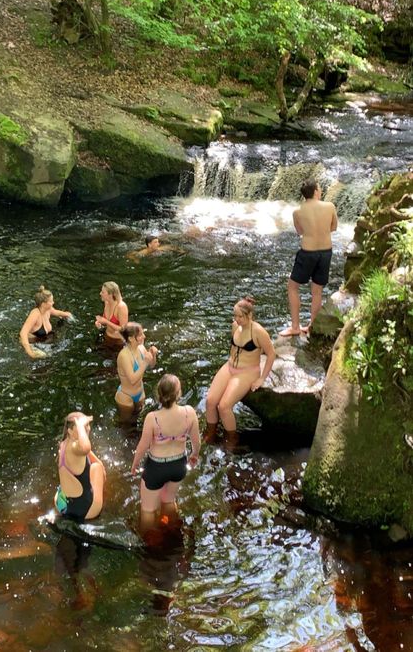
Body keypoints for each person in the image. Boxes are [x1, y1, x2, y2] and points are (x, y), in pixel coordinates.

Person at [131, 374, 200, 531]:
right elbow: (196, 441)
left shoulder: (153, 418)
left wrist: (135, 464)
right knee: (169, 501)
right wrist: (194, 455)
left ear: (159, 394)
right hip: (179, 465)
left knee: (148, 509)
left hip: (157, 466)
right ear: (178, 393)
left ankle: (150, 541)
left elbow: (143, 446)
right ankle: (172, 528)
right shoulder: (189, 413)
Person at [205, 296, 275, 438]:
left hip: (248, 372)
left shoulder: (258, 332)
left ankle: (231, 440)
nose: (237, 319)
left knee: (224, 407)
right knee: (210, 401)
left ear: (250, 315)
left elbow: (271, 354)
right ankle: (211, 433)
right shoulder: (235, 326)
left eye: (240, 316)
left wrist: (262, 378)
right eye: (235, 316)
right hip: (230, 366)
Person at [280, 178, 338, 337]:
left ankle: (295, 327)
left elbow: (299, 232)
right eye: (319, 189)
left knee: (293, 286)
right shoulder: (330, 206)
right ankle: (312, 325)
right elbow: (334, 227)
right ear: (315, 192)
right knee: (317, 289)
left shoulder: (297, 212)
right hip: (326, 251)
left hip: (308, 252)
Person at [54, 412, 106, 521]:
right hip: (81, 511)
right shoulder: (74, 447)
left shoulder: (64, 443)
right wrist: (81, 426)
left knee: (97, 466)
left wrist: (100, 466)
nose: (87, 429)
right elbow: (86, 448)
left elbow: (91, 456)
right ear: (70, 431)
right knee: (96, 468)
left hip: (61, 504)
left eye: (87, 425)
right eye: (82, 426)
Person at [20, 285, 72, 359]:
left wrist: (66, 314)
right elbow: (23, 333)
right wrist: (30, 352)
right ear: (44, 304)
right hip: (31, 342)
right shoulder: (35, 314)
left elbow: (56, 312)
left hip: (42, 340)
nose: (53, 303)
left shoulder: (48, 309)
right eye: (51, 301)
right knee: (45, 357)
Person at [116, 322, 158, 414]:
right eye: (140, 335)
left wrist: (153, 355)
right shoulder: (124, 356)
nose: (144, 336)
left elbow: (151, 365)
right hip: (126, 397)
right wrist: (145, 362)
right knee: (127, 424)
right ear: (130, 338)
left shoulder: (141, 348)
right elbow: (132, 379)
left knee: (139, 419)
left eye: (143, 333)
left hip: (140, 393)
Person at [94, 281, 128, 347]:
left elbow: (123, 329)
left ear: (110, 295)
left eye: (103, 292)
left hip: (118, 342)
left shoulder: (121, 306)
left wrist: (106, 322)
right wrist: (100, 323)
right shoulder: (106, 302)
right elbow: (105, 322)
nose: (100, 293)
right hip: (106, 337)